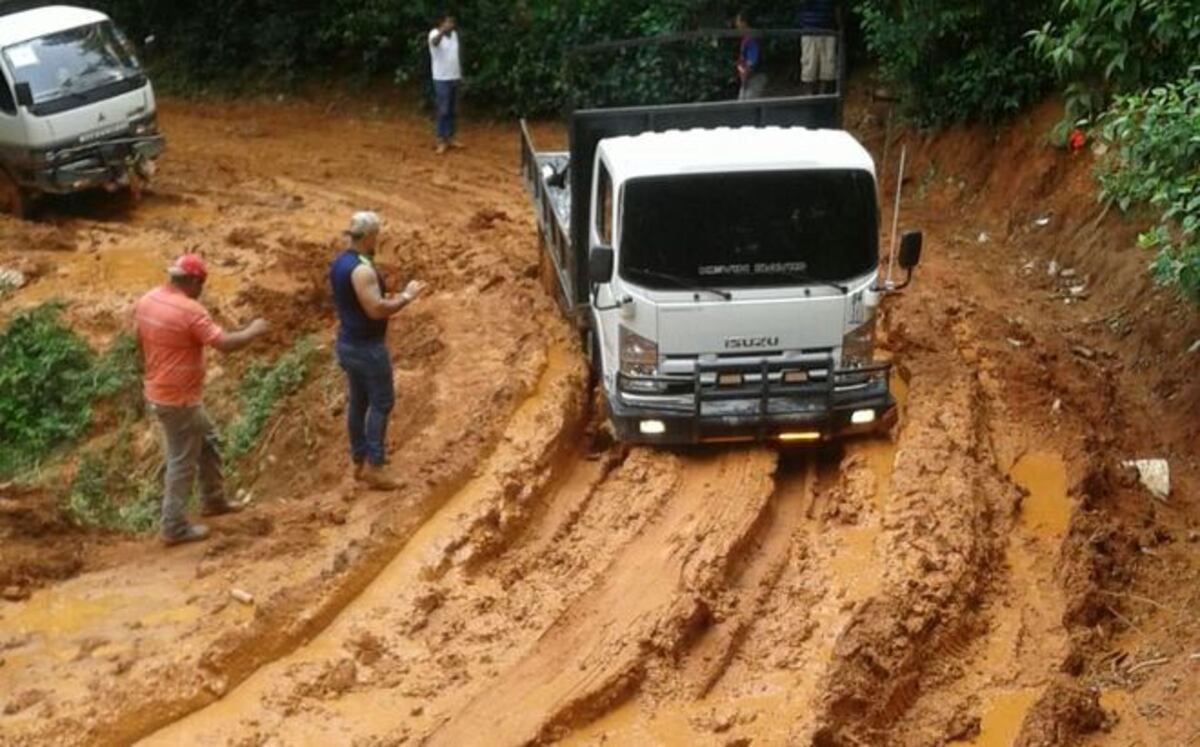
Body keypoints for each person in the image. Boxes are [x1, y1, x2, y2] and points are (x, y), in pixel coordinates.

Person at [133, 254, 269, 546]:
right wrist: (253, 331)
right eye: (202, 284)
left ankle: (213, 499)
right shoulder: (190, 311)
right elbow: (224, 344)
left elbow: (138, 339)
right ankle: (173, 526)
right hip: (178, 399)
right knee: (182, 460)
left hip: (162, 391)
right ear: (193, 281)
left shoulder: (148, 300)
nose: (202, 290)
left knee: (208, 439)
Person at [329, 211, 426, 490]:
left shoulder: (340, 263)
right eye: (377, 236)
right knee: (382, 402)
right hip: (366, 347)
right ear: (370, 236)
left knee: (359, 402)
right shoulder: (361, 269)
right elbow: (376, 309)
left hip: (347, 342)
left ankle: (359, 459)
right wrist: (406, 297)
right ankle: (376, 465)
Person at [428, 11, 463, 155]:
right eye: (448, 22)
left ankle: (451, 138)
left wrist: (460, 74)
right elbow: (434, 43)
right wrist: (442, 31)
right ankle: (441, 140)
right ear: (441, 23)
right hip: (441, 78)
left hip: (454, 77)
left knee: (453, 110)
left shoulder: (454, 35)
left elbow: (455, 56)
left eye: (452, 22)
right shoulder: (434, 34)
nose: (451, 25)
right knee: (443, 110)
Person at [796, 0, 840, 95]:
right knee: (809, 67)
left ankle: (822, 95)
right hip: (809, 29)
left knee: (827, 68)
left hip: (828, 30)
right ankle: (809, 97)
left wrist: (840, 27)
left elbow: (836, 7)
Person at [735, 10, 766, 100]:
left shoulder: (752, 38)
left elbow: (752, 61)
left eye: (738, 21)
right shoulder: (747, 38)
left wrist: (745, 72)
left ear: (744, 23)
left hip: (755, 76)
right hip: (749, 76)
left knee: (748, 104)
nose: (737, 25)